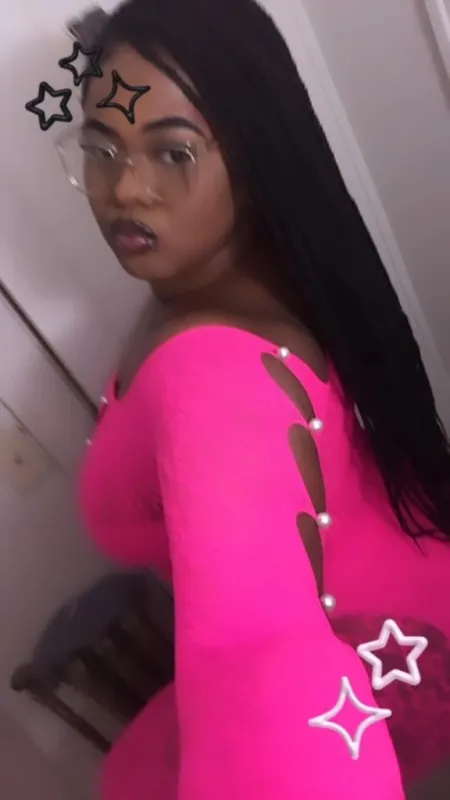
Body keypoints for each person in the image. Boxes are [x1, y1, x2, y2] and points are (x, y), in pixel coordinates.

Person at [58, 0, 450, 796]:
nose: (125, 188)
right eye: (100, 147)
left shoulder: (215, 380)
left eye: (173, 152)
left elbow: (254, 651)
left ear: (254, 154)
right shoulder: (234, 263)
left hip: (391, 651)